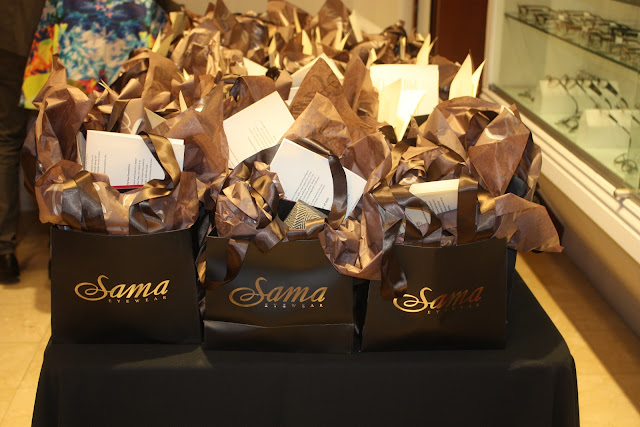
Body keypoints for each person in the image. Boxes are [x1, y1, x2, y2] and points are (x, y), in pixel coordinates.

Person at [0, 2, 46, 282]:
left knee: (6, 142)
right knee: (56, 141)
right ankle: (60, 250)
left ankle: (4, 252)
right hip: (49, 36)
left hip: (7, 37)